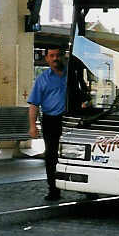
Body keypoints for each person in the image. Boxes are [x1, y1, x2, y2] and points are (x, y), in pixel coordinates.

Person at [28, 46, 68, 201]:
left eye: (58, 55)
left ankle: (85, 188)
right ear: (47, 58)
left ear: (63, 56)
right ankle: (54, 190)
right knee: (51, 156)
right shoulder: (42, 79)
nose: (55, 58)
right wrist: (33, 126)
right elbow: (34, 104)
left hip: (70, 121)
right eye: (51, 55)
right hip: (51, 121)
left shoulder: (71, 76)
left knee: (75, 154)